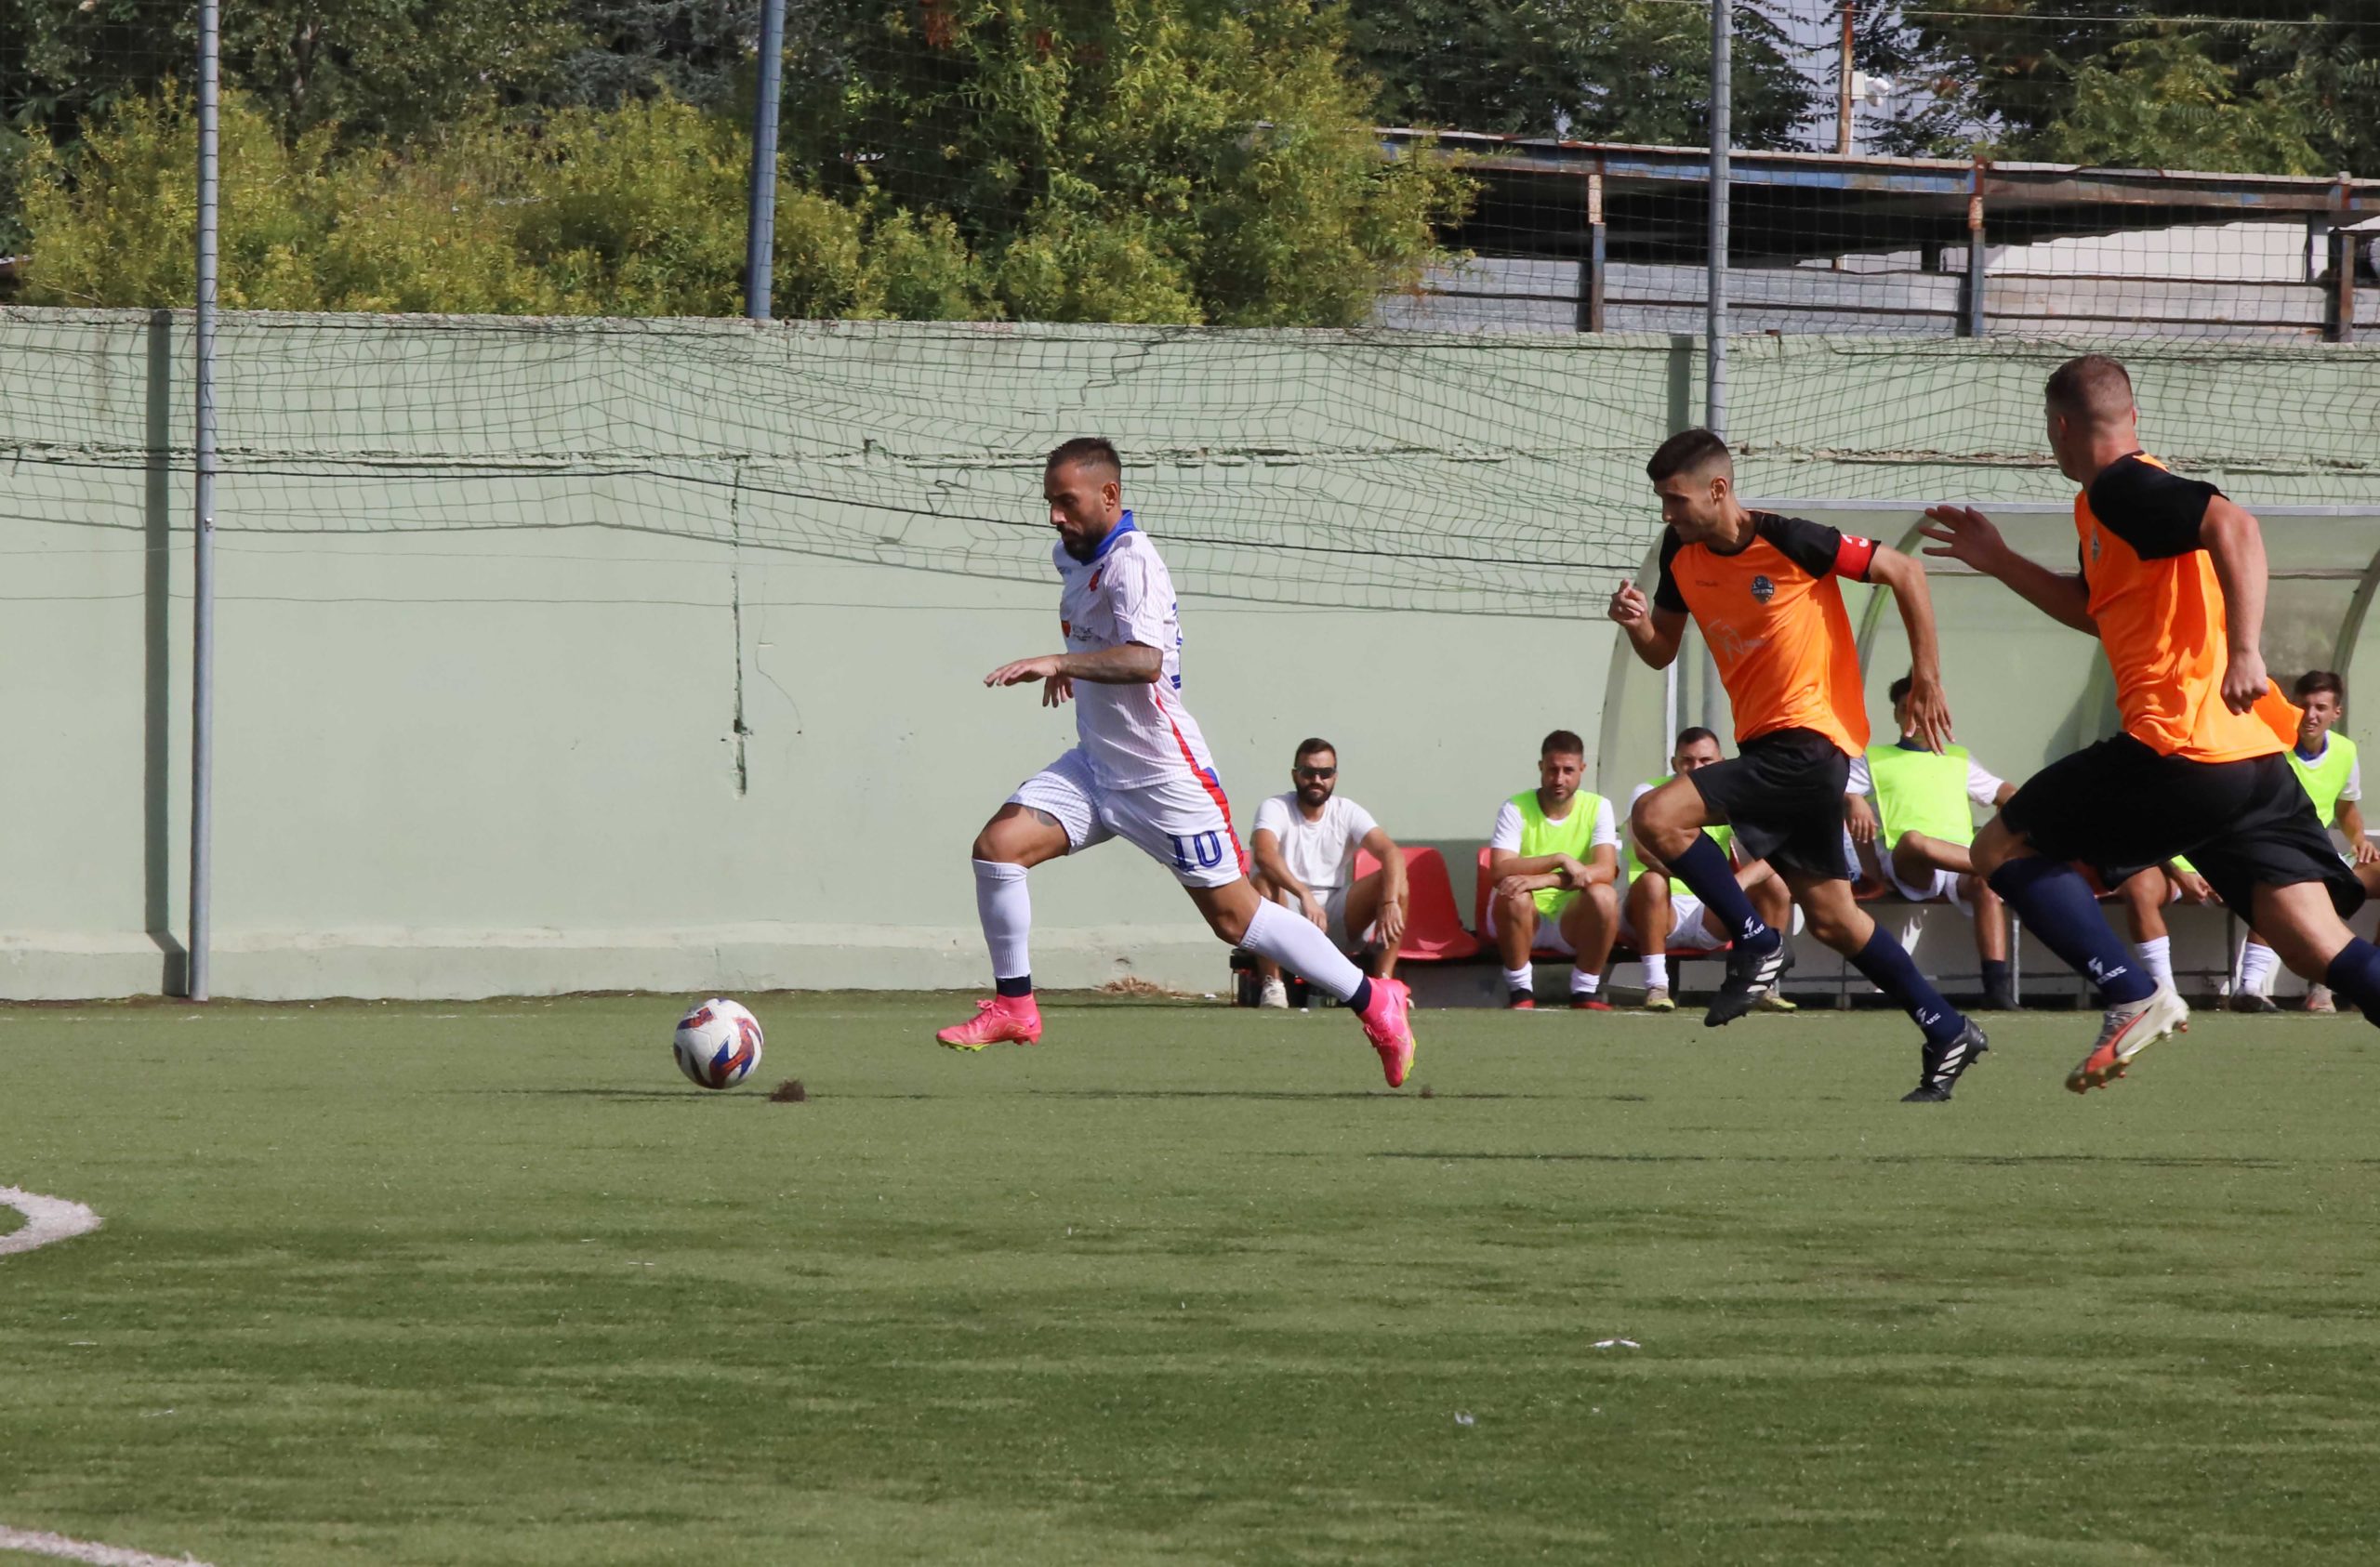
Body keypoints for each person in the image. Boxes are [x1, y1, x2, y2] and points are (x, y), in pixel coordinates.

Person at [1920, 354, 2371, 1094]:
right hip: (2252, 761)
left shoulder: (2122, 487)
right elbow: (2095, 611)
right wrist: (1999, 560)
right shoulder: (2104, 509)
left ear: (2060, 428)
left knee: (1998, 846)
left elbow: (2236, 525)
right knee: (2318, 947)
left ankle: (2133, 992)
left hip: (2178, 748)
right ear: (2132, 416)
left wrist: (2247, 650)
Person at [938, 438, 1418, 1086]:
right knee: (998, 849)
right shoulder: (1072, 554)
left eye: (1067, 502)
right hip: (1096, 766)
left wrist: (1060, 661)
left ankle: (1374, 999)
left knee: (1236, 920)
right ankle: (1016, 1006)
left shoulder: (1135, 562)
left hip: (1163, 776)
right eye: (1050, 502)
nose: (1055, 516)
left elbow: (1145, 660)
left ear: (1110, 495)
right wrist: (1076, 666)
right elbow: (1098, 630)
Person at [1609, 428, 1988, 1103]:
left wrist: (1928, 676)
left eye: (1676, 499)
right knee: (1835, 919)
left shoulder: (1792, 540)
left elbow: (1906, 571)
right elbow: (1662, 649)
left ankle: (1755, 940)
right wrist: (1637, 622)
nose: (1667, 513)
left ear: (1718, 490)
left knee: (1656, 816)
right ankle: (1947, 1027)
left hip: (1812, 742)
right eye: (1661, 500)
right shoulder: (1679, 552)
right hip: (1770, 750)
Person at [1844, 674, 2020, 1009]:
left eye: (1923, 709)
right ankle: (2004, 867)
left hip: (1959, 865)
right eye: (1907, 710)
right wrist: (1853, 800)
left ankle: (1996, 990)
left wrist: (2032, 817)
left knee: (1984, 886)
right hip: (1909, 865)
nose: (1916, 717)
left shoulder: (1958, 758)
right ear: (1896, 715)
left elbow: (2005, 793)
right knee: (1914, 840)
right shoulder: (1874, 758)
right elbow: (1837, 789)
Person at [2232, 670, 2380, 1012]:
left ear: (2336, 713)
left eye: (2320, 707)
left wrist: (2359, 839)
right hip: (2274, 855)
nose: (2310, 715)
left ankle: (2367, 977)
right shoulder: (2270, 746)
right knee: (2285, 881)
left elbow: (2346, 808)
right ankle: (2249, 988)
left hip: (2321, 857)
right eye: (2303, 706)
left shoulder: (2345, 750)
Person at [1621, 727, 1797, 1012]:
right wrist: (1710, 880)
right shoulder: (1648, 793)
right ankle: (1656, 986)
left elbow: (1773, 852)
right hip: (1657, 909)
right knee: (1653, 882)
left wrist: (1735, 884)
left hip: (1711, 912)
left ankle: (1765, 984)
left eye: (1705, 761)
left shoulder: (1733, 797)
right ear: (1674, 763)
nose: (1696, 768)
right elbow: (1645, 851)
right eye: (1687, 761)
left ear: (1721, 763)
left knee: (1775, 885)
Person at [1248, 738, 1411, 1007]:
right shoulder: (1275, 807)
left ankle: (1384, 985)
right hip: (1288, 910)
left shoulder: (1347, 811)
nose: (1316, 780)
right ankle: (1273, 984)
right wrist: (1304, 894)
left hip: (1334, 914)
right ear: (1295, 774)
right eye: (1308, 772)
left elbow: (1391, 852)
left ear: (1334, 776)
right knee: (1263, 881)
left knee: (1396, 882)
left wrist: (1390, 901)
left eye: (1325, 773)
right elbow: (1264, 854)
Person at [1486, 730, 1620, 1009]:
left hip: (1571, 919)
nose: (1559, 779)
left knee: (1605, 896)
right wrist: (1558, 859)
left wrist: (1544, 880)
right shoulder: (1515, 807)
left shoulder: (1599, 807)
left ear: (1582, 769)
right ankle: (1520, 991)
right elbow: (1499, 870)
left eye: (1568, 770)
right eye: (1552, 770)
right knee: (1514, 894)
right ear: (1540, 767)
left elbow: (1606, 870)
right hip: (1523, 917)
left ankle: (1585, 991)